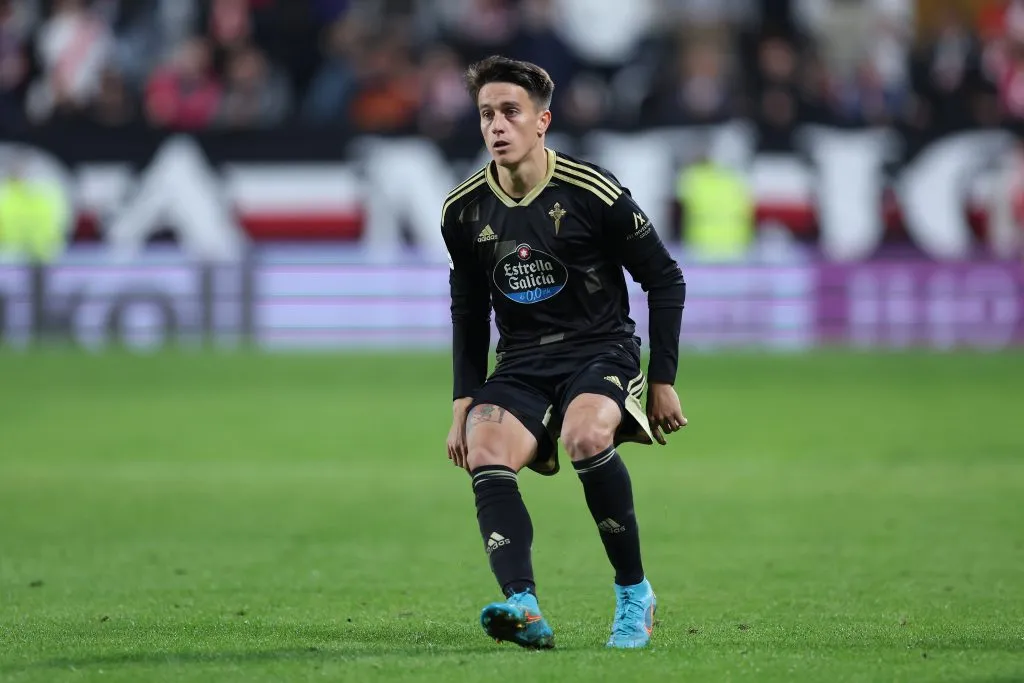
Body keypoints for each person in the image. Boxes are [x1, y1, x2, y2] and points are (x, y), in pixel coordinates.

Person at [441, 55, 688, 650]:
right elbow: (469, 314)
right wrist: (462, 404)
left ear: (542, 120)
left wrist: (662, 378)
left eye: (510, 112)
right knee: (485, 447)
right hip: (523, 364)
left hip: (599, 351)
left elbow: (665, 278)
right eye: (486, 115)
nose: (496, 126)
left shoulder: (593, 192)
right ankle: (522, 606)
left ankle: (634, 594)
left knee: (584, 437)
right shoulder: (462, 211)